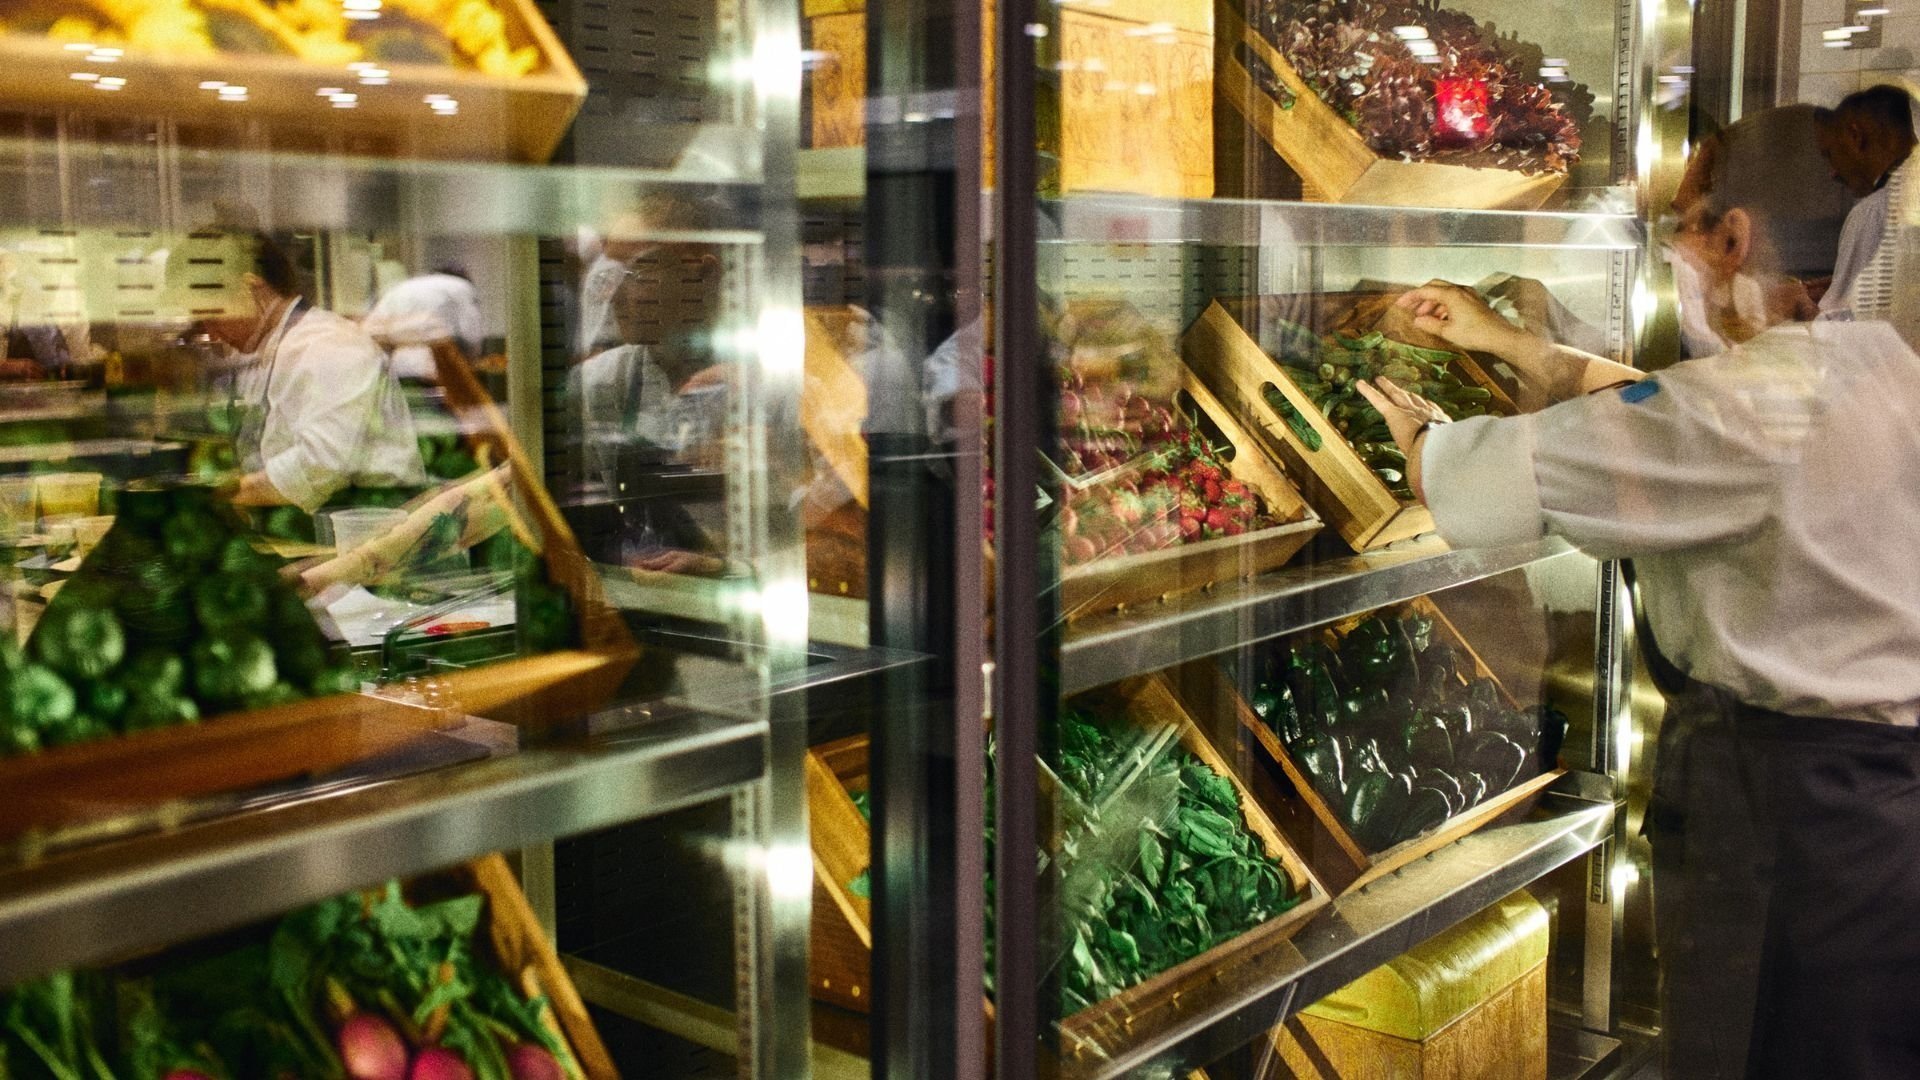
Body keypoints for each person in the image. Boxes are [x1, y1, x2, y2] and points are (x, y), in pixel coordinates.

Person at [1355, 106, 1920, 1079]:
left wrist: (1413, 436)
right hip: (1877, 813)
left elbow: (1504, 474)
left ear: (1733, 237)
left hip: (1788, 815)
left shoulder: (1742, 410)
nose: (1676, 248)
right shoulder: (1880, 365)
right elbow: (1673, 421)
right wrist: (1514, 344)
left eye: (1687, 218)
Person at [189, 231, 428, 517]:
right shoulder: (268, 349)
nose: (211, 331)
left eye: (212, 314)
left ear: (250, 288)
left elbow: (322, 462)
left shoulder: (330, 345)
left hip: (372, 527)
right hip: (316, 527)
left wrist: (225, 495)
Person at [1815, 85, 1917, 320]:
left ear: (1855, 136)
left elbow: (1848, 330)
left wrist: (1793, 307)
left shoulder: (1874, 213)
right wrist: (1842, 285)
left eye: (1829, 154)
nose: (1832, 173)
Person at [364, 264, 487, 382]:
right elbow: (471, 334)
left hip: (394, 371)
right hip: (431, 373)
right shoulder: (462, 286)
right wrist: (474, 362)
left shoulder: (405, 287)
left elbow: (370, 332)